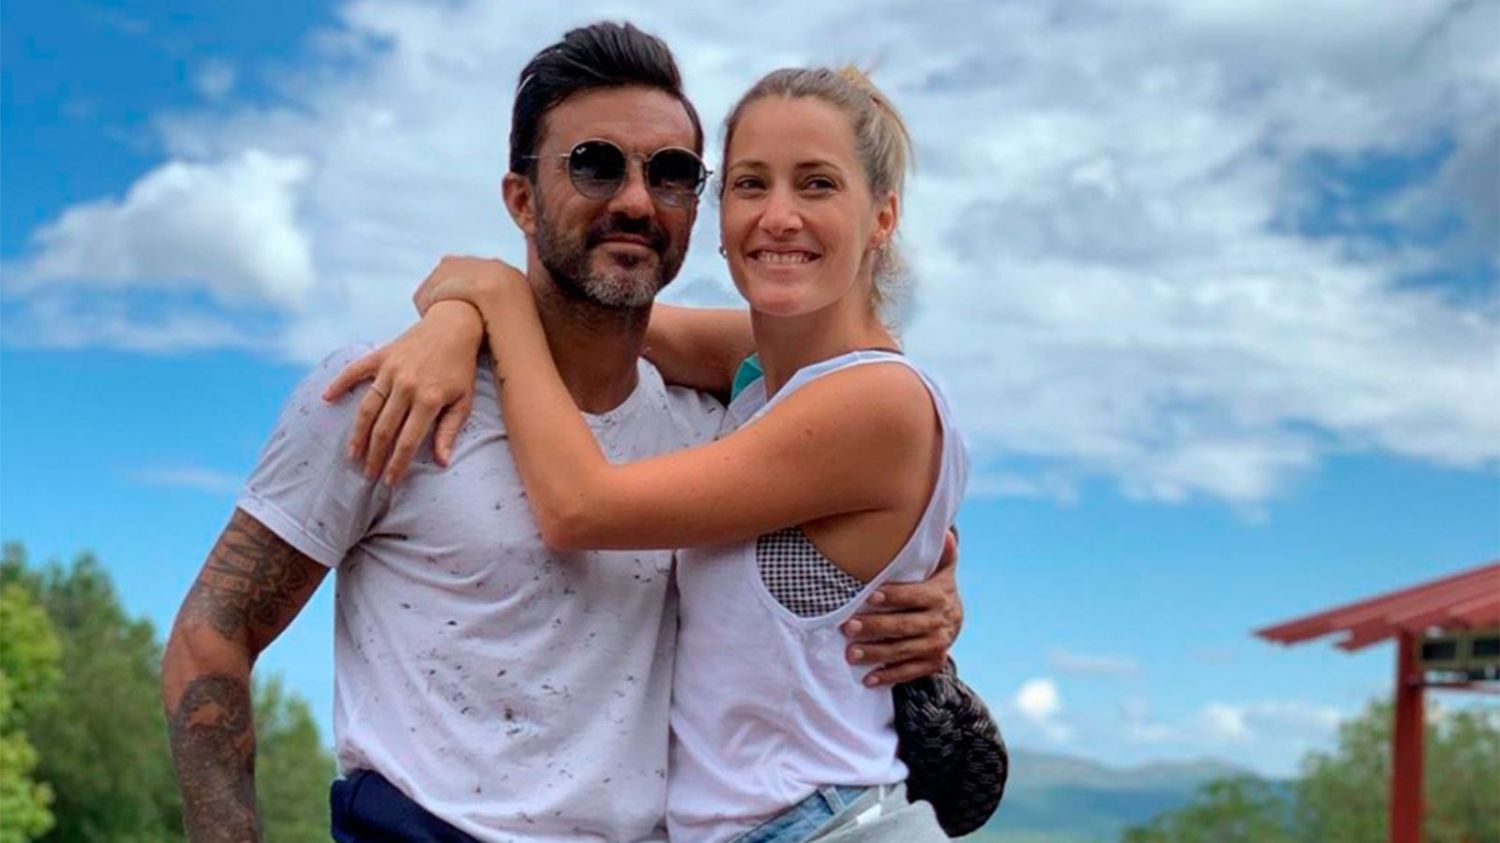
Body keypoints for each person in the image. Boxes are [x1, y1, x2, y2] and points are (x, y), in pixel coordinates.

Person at [159, 22, 961, 843]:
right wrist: (471, 303)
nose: (636, 200)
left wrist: (924, 583)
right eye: (594, 164)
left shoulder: (713, 424)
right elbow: (211, 634)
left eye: (671, 172)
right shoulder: (389, 395)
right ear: (520, 198)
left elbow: (844, 447)